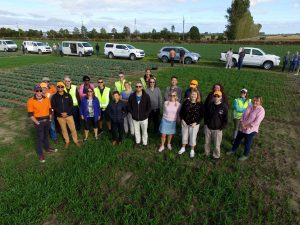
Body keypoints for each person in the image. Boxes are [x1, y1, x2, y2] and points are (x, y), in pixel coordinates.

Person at [227, 96, 265, 161]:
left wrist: (246, 126)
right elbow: (243, 114)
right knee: (237, 139)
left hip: (251, 130)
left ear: (260, 102)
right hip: (242, 127)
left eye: (257, 101)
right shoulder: (249, 105)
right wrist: (241, 123)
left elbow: (257, 122)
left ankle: (245, 155)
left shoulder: (261, 110)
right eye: (254, 100)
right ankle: (233, 150)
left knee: (247, 143)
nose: (255, 102)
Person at [27, 84, 57, 163]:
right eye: (37, 91)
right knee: (40, 138)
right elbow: (30, 114)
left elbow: (50, 110)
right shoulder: (30, 100)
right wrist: (37, 123)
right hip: (38, 121)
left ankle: (47, 148)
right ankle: (40, 154)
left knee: (46, 135)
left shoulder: (46, 98)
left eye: (40, 90)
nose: (39, 92)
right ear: (34, 91)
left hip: (47, 120)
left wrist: (50, 119)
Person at [51, 82, 80, 149]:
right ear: (57, 87)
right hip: (60, 116)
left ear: (63, 87)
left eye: (61, 87)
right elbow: (54, 107)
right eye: (58, 87)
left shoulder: (68, 95)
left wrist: (67, 113)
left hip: (69, 115)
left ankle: (76, 141)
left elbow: (71, 105)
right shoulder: (54, 97)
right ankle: (67, 141)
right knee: (64, 130)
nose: (60, 88)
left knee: (73, 129)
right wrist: (61, 113)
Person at [178, 90, 204, 158]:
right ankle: (183, 147)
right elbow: (181, 112)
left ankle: (192, 150)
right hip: (185, 123)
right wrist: (182, 120)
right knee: (184, 135)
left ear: (197, 96)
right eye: (192, 94)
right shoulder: (186, 102)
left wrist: (196, 123)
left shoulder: (200, 104)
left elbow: (202, 115)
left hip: (194, 124)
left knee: (193, 137)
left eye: (195, 94)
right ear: (190, 95)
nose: (193, 96)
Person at [204, 91, 228, 159]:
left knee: (217, 145)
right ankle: (206, 153)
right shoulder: (210, 105)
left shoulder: (224, 107)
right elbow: (205, 115)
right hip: (208, 128)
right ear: (213, 97)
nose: (216, 98)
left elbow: (225, 120)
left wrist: (221, 128)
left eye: (218, 96)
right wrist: (205, 124)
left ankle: (216, 156)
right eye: (215, 96)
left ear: (221, 97)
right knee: (206, 143)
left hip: (217, 129)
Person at [128, 81, 151, 148]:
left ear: (142, 87)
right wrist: (133, 113)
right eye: (137, 86)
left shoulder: (146, 96)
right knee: (137, 131)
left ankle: (145, 143)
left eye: (140, 86)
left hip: (144, 118)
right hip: (135, 118)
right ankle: (137, 142)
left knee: (144, 131)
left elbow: (149, 107)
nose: (138, 88)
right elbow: (129, 106)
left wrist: (146, 114)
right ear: (135, 87)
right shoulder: (132, 96)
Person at [41, 77, 58, 143]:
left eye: (47, 81)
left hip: (50, 109)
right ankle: (45, 137)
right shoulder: (40, 90)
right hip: (42, 111)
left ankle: (54, 137)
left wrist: (51, 95)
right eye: (44, 81)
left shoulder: (52, 87)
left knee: (52, 125)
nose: (46, 82)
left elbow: (56, 93)